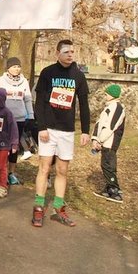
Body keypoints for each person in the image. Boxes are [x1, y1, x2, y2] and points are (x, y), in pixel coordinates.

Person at [32, 39, 90, 228]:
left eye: (72, 51)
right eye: (66, 51)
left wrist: (86, 131)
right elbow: (39, 101)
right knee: (44, 167)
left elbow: (83, 104)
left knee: (63, 170)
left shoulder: (78, 76)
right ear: (57, 53)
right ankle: (39, 207)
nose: (70, 54)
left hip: (67, 130)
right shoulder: (48, 73)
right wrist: (41, 127)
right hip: (48, 128)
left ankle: (58, 206)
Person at [0, 57, 35, 184]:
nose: (16, 69)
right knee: (3, 146)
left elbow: (27, 98)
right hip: (4, 118)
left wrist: (31, 115)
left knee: (14, 146)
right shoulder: (1, 80)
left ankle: (11, 173)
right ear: (8, 68)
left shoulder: (24, 81)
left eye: (18, 66)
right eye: (14, 67)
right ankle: (2, 172)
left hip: (19, 118)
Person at [91, 84, 126, 203]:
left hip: (110, 143)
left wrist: (100, 140)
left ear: (112, 95)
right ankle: (108, 188)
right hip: (105, 142)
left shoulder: (117, 108)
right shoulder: (109, 107)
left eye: (107, 93)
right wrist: (95, 138)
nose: (105, 95)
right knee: (106, 165)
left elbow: (110, 126)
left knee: (108, 165)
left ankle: (114, 190)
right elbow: (99, 123)